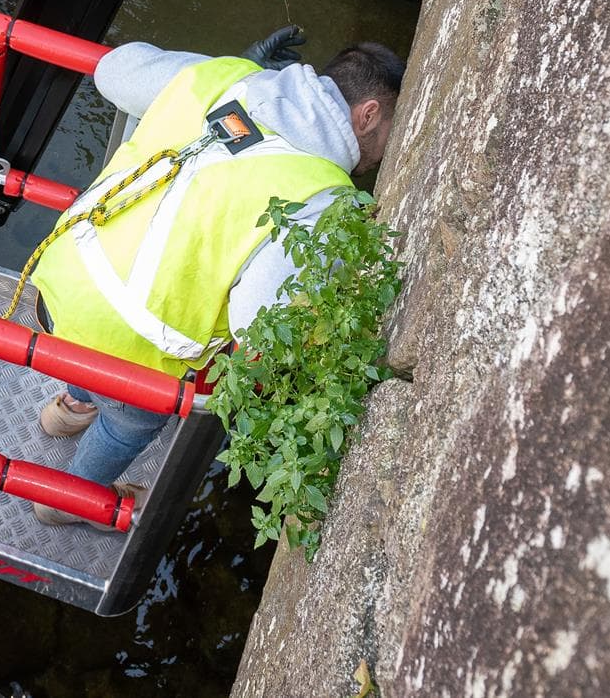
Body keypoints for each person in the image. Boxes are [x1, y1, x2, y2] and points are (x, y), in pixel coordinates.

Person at [28, 27, 405, 527]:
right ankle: (65, 502)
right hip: (126, 343)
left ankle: (67, 410)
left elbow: (112, 70)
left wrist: (226, 65)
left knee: (100, 306)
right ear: (368, 114)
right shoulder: (322, 196)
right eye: (388, 135)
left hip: (58, 278)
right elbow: (256, 325)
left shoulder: (226, 80)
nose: (383, 153)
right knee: (131, 418)